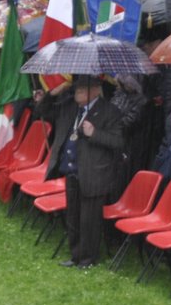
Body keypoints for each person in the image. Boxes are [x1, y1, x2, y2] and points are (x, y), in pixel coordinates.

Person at [38, 75, 126, 267]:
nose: (76, 92)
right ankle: (75, 254)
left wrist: (94, 134)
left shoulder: (109, 111)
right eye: (76, 89)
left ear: (94, 90)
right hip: (72, 170)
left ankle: (88, 258)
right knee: (73, 216)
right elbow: (43, 111)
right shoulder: (70, 106)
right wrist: (51, 94)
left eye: (81, 89)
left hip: (94, 173)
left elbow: (118, 142)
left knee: (90, 219)